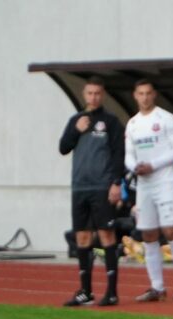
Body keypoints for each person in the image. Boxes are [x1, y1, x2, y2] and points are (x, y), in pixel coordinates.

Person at [58, 76, 126, 307]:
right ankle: (85, 291)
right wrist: (76, 131)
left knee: (107, 236)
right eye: (90, 93)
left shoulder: (111, 122)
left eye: (97, 93)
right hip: (80, 187)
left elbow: (119, 154)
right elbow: (63, 147)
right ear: (84, 95)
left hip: (101, 187)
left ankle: (112, 291)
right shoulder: (76, 120)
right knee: (82, 237)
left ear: (103, 95)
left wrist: (117, 183)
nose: (93, 97)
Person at [124, 79, 173, 302]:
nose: (144, 97)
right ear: (135, 95)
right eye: (140, 93)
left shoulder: (166, 119)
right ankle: (157, 287)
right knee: (148, 234)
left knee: (170, 230)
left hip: (165, 181)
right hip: (144, 184)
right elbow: (128, 154)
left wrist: (153, 165)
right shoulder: (132, 124)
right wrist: (135, 167)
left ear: (154, 95)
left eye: (148, 93)